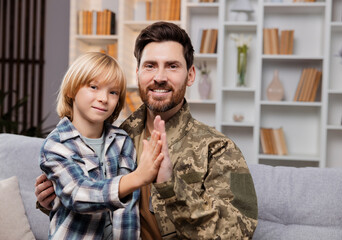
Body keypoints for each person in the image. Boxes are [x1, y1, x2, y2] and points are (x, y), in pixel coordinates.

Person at [36, 22, 258, 239]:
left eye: (172, 66)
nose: (159, 77)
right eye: (150, 65)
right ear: (138, 73)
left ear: (190, 75)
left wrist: (170, 185)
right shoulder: (117, 138)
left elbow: (238, 232)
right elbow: (89, 204)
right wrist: (53, 200)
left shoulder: (218, 149)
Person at [38, 52, 166, 239]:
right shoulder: (56, 144)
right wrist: (138, 177)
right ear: (72, 90)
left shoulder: (122, 141)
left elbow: (129, 209)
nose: (104, 98)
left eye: (113, 92)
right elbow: (78, 194)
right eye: (94, 87)